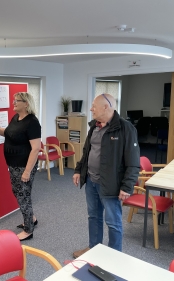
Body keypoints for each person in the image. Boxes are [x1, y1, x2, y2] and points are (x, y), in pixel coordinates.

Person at [72, 93, 140, 258]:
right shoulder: (94, 126)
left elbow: (133, 161)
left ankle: (114, 257)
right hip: (91, 181)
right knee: (93, 217)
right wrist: (78, 170)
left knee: (113, 222)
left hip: (111, 185)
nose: (90, 109)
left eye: (94, 106)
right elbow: (87, 151)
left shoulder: (126, 128)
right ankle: (93, 249)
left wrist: (127, 186)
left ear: (105, 107)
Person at [0, 92, 41, 241]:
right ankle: (31, 218)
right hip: (13, 165)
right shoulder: (16, 118)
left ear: (26, 103)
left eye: (16, 101)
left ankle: (28, 230)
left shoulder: (32, 122)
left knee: (22, 195)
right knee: (20, 193)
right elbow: (6, 133)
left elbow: (36, 148)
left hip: (24, 166)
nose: (13, 103)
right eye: (13, 100)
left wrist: (26, 171)